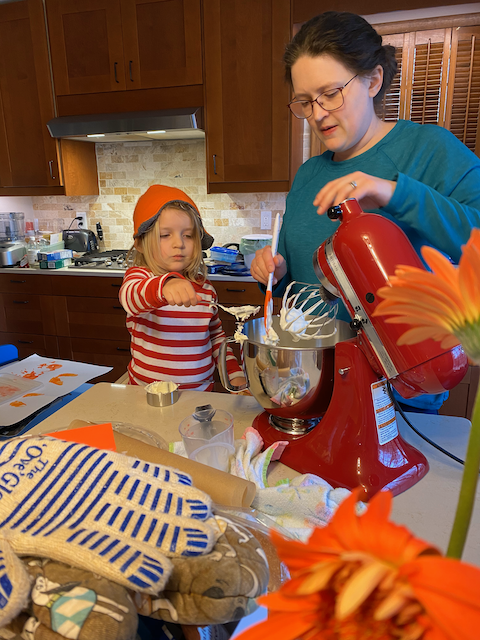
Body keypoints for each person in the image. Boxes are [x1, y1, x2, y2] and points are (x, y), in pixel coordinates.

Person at [250, 10, 480, 413]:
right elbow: (299, 285)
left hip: (404, 397)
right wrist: (272, 273)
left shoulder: (431, 151)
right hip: (318, 389)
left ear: (373, 80)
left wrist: (394, 193)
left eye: (331, 93)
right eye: (305, 101)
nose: (318, 114)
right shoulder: (308, 175)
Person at [119, 184, 246, 391]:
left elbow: (216, 338)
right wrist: (165, 286)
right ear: (141, 244)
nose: (179, 243)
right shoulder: (141, 278)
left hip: (200, 394)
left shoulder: (204, 288)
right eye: (165, 235)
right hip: (146, 395)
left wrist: (234, 373)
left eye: (187, 235)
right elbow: (131, 298)